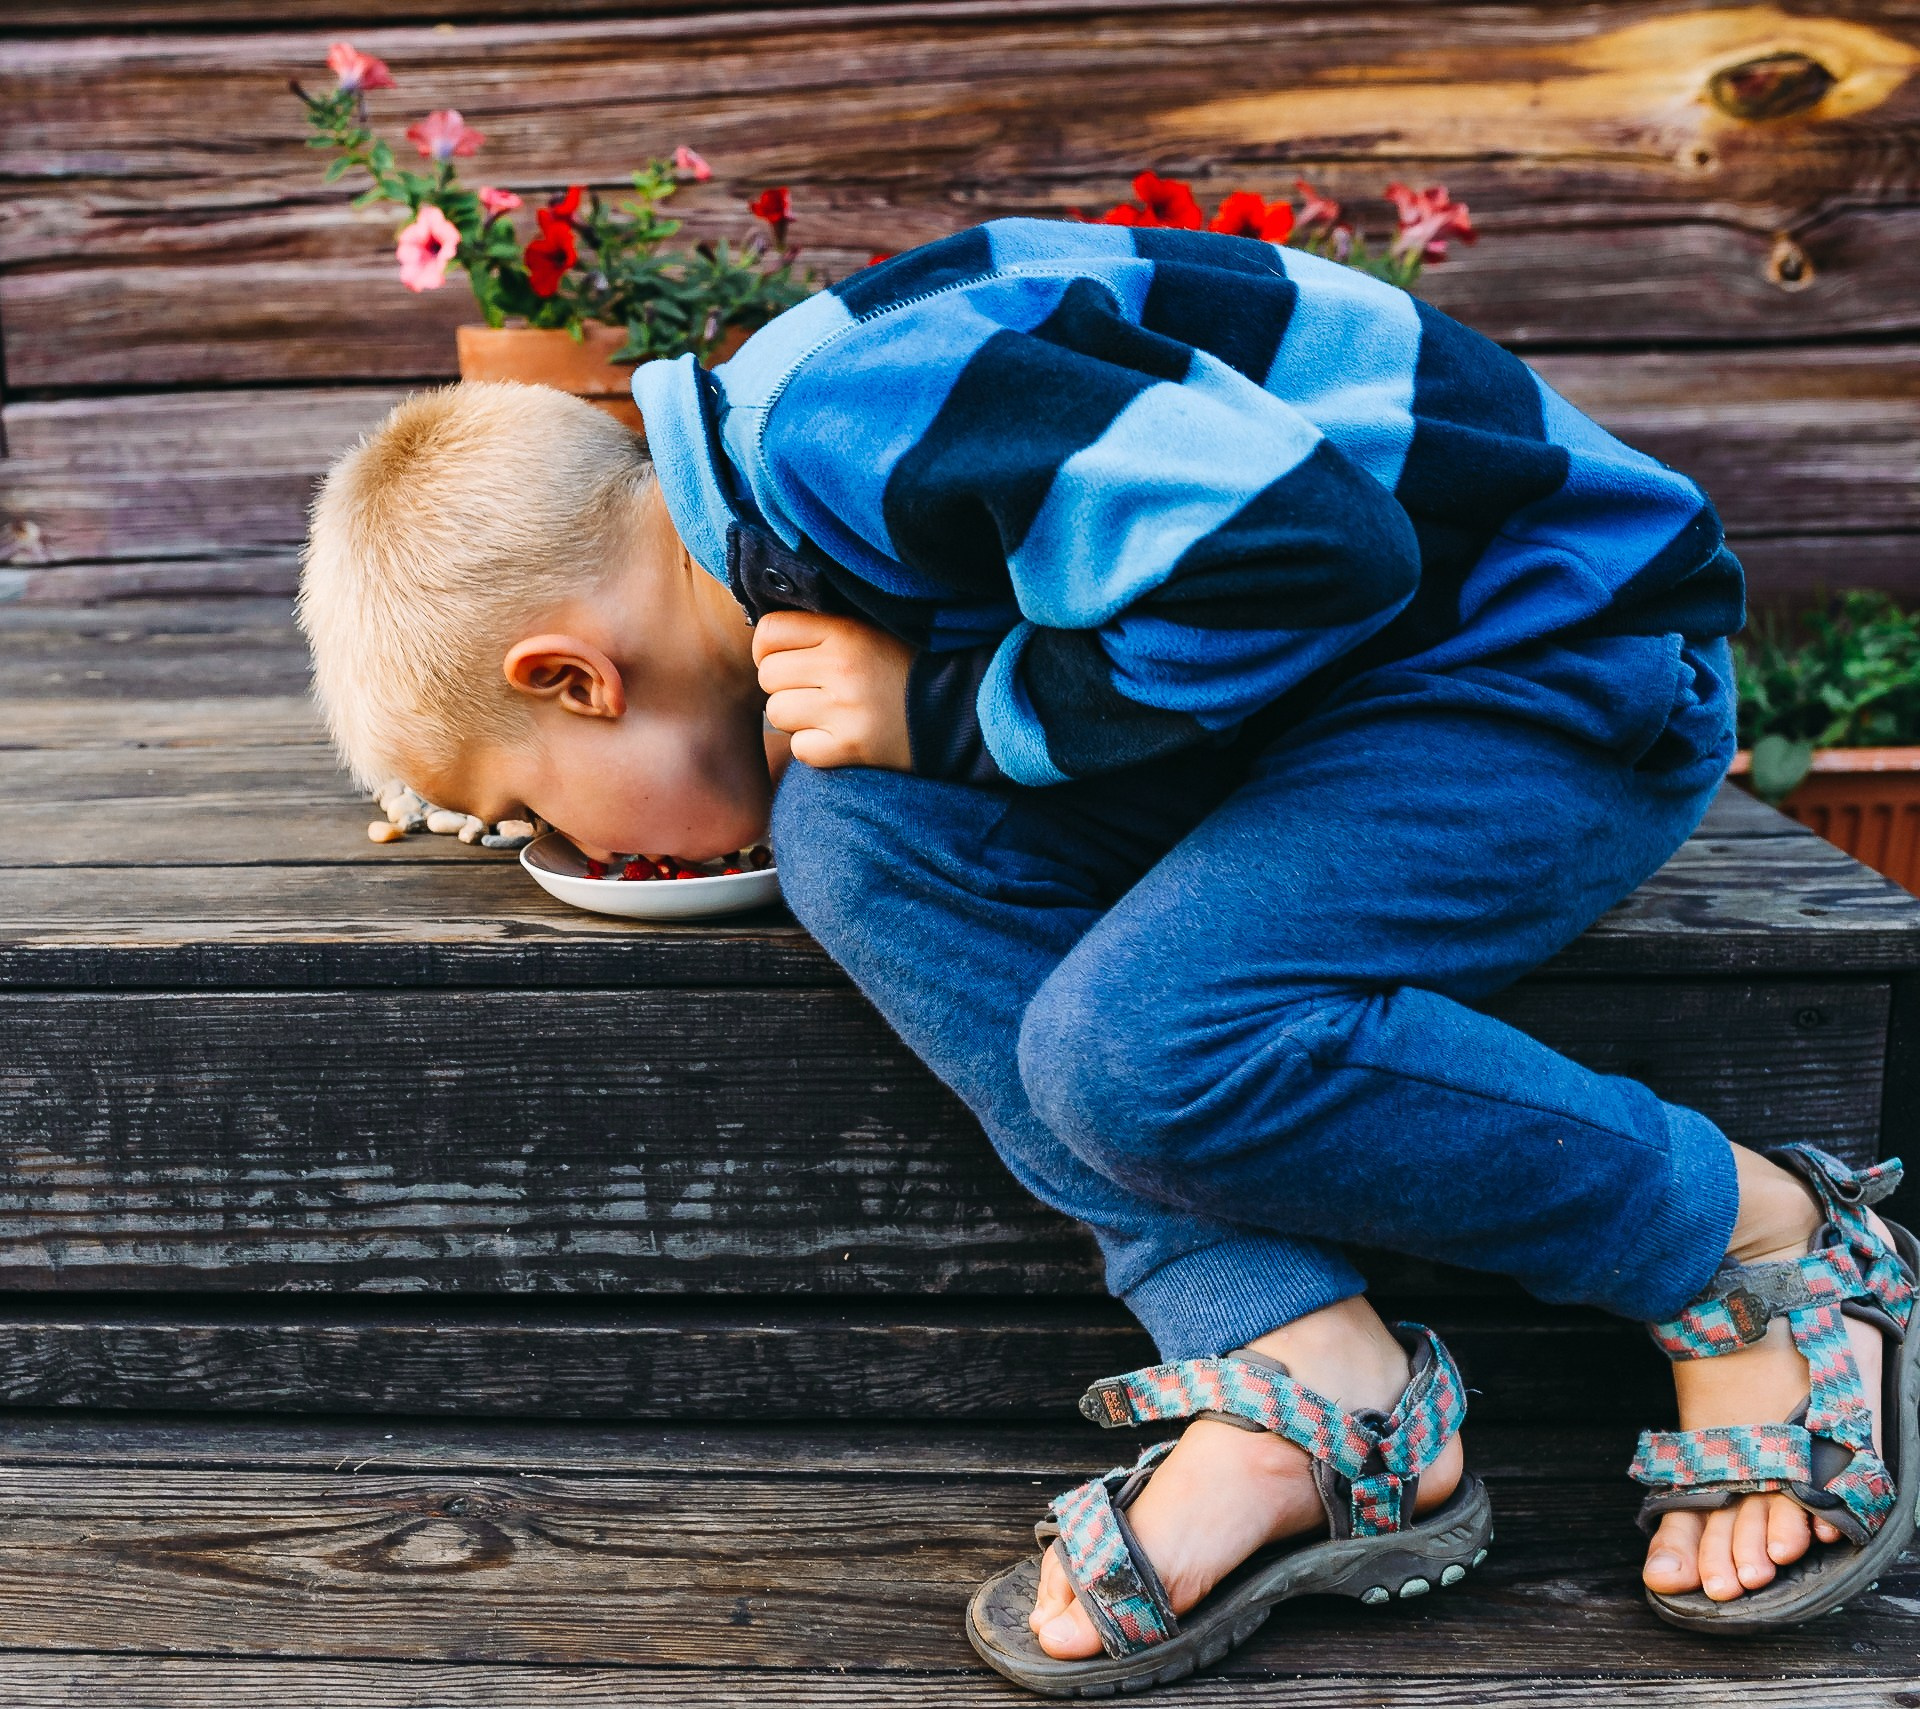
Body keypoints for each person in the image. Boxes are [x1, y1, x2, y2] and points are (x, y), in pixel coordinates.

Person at [296, 218, 1915, 1695]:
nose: (576, 851)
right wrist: (923, 727)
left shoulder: (854, 426)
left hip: (1558, 665)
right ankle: (1301, 1357)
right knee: (852, 832)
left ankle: (1747, 1244)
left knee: (1141, 1045)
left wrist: (947, 708)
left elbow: (1324, 550)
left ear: (574, 676)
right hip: (1331, 701)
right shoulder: (775, 493)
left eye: (525, 806)